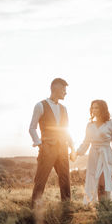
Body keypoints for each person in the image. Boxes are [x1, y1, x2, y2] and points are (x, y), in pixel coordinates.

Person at [29, 78, 74, 208]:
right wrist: (39, 144)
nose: (65, 93)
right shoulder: (40, 105)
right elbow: (32, 128)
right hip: (47, 149)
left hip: (63, 150)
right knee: (41, 180)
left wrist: (72, 147)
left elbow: (66, 130)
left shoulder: (64, 109)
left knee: (65, 180)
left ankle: (66, 207)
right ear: (56, 89)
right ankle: (34, 208)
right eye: (64, 90)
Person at [70, 100, 112, 204]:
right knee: (95, 182)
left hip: (106, 155)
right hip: (93, 155)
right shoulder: (90, 125)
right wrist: (76, 153)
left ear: (102, 109)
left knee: (103, 182)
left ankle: (104, 204)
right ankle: (98, 206)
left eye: (97, 107)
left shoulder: (111, 124)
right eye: (93, 108)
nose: (94, 110)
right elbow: (86, 142)